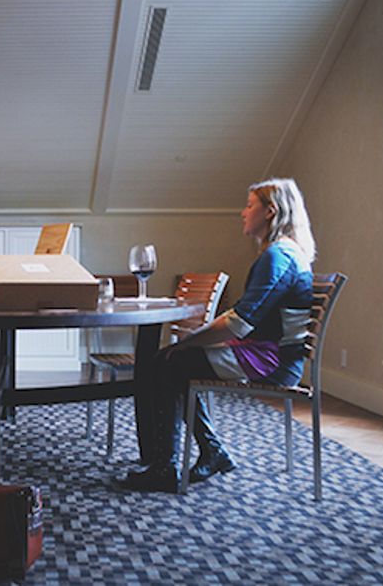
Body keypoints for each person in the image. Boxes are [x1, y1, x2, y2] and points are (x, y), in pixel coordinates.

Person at [117, 178, 316, 493]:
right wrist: (193, 342)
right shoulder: (286, 253)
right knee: (173, 360)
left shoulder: (278, 257)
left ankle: (166, 467)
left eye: (249, 205)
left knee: (167, 362)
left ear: (270, 211)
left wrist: (189, 341)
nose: (243, 213)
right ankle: (209, 452)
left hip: (272, 361)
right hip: (271, 353)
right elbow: (243, 316)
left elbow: (240, 323)